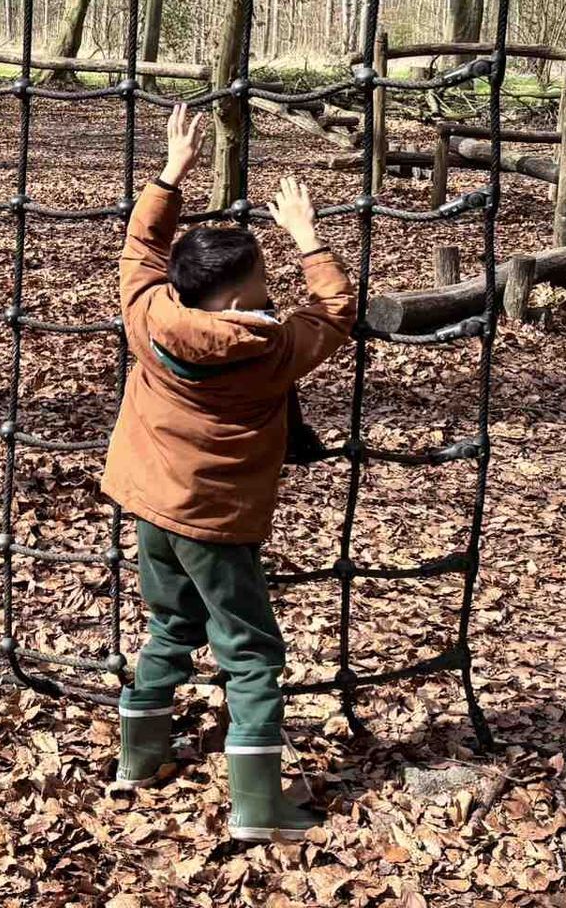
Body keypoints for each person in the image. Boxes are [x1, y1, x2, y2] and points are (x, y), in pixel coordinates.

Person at [100, 103, 356, 842]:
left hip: (150, 505)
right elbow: (335, 312)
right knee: (250, 653)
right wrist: (308, 238)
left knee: (169, 625)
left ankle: (137, 760)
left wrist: (171, 173)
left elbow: (139, 245)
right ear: (241, 297)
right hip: (215, 521)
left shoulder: (147, 314)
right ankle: (256, 804)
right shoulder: (272, 348)